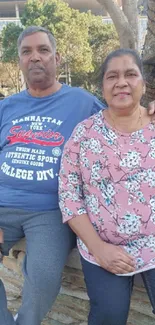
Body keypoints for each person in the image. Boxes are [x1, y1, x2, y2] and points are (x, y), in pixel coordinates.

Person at [0, 25, 104, 325]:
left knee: (44, 276)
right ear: (19, 61)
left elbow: (120, 126)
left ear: (57, 58)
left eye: (43, 50)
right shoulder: (7, 107)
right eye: (27, 52)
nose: (35, 58)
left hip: (50, 211)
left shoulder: (83, 103)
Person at [59, 48, 155, 325]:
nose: (121, 82)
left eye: (130, 74)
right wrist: (98, 248)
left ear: (143, 84)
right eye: (112, 76)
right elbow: (69, 196)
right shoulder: (84, 134)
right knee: (108, 316)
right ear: (102, 87)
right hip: (102, 246)